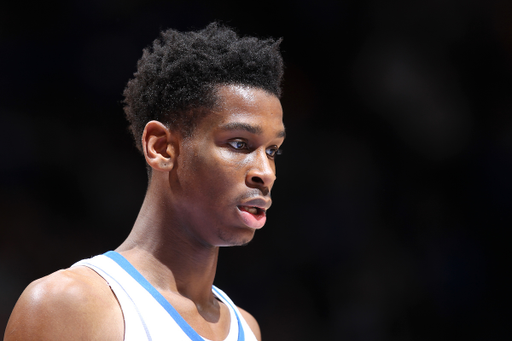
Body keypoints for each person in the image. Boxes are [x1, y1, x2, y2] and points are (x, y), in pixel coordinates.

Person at [4, 22, 285, 341]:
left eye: (273, 150)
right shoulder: (69, 305)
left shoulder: (247, 328)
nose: (266, 172)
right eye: (239, 143)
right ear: (161, 147)